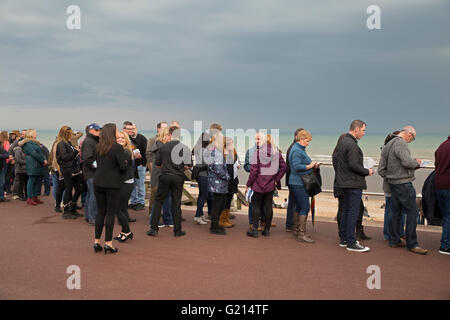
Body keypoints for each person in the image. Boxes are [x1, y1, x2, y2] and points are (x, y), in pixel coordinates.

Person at [378, 125, 427, 255]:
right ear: (408, 134)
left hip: (392, 183)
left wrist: (389, 176)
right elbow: (406, 162)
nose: (411, 141)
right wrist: (417, 163)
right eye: (413, 138)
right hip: (403, 182)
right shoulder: (401, 143)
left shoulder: (388, 144)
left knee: (396, 211)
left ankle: (394, 240)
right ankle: (412, 244)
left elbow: (381, 168)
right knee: (413, 212)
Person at [333, 120, 373, 253]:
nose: (364, 133)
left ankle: (344, 239)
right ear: (356, 129)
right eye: (363, 130)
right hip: (352, 183)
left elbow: (340, 163)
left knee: (345, 210)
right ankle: (351, 242)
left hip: (343, 182)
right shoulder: (352, 144)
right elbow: (353, 165)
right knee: (352, 212)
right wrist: (367, 171)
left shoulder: (342, 142)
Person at [147, 126, 192, 237]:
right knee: (176, 203)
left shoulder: (163, 147)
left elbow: (158, 164)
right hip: (178, 177)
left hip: (165, 176)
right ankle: (177, 230)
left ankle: (154, 228)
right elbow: (189, 166)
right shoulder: (184, 148)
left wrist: (166, 166)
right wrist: (180, 167)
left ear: (170, 135)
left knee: (158, 201)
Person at [93, 123, 128, 254]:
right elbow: (123, 167)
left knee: (100, 212)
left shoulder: (98, 147)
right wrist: (125, 161)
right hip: (113, 184)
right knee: (110, 213)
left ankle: (97, 241)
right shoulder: (117, 148)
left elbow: (95, 163)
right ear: (112, 133)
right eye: (117, 130)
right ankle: (108, 243)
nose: (118, 132)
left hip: (98, 182)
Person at [246, 133, 286, 237]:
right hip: (270, 184)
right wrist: (276, 179)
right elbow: (284, 167)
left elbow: (253, 171)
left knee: (256, 206)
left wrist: (248, 184)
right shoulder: (276, 153)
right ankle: (267, 230)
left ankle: (254, 230)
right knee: (268, 206)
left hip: (258, 183)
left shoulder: (258, 153)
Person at [288, 130, 319, 243]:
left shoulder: (297, 149)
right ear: (301, 139)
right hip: (299, 182)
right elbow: (296, 166)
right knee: (305, 207)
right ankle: (301, 233)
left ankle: (297, 230)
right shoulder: (297, 150)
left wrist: (312, 165)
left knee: (299, 207)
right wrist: (310, 165)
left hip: (296, 182)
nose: (308, 143)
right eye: (307, 141)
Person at [380, 131, 406, 241]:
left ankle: (397, 232)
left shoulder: (388, 150)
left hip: (392, 184)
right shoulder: (389, 151)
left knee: (395, 210)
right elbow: (382, 170)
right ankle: (391, 234)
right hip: (392, 185)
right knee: (393, 210)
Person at [204, 129, 230, 235]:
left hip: (214, 182)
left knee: (218, 204)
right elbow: (218, 168)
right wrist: (227, 176)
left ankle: (216, 225)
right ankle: (214, 227)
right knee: (218, 205)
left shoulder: (211, 150)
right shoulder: (216, 152)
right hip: (218, 183)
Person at [148, 127, 174, 228]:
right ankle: (154, 221)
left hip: (164, 175)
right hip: (160, 175)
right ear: (165, 135)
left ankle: (168, 219)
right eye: (169, 135)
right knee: (159, 199)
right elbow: (161, 163)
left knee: (167, 198)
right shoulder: (160, 147)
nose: (171, 137)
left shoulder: (163, 146)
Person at [56, 126, 83, 219]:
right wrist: (75, 151)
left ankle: (72, 209)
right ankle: (66, 212)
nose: (72, 135)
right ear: (66, 133)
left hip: (73, 169)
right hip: (67, 169)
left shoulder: (68, 143)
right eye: (71, 133)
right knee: (68, 189)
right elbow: (65, 157)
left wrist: (75, 152)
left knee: (79, 189)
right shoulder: (61, 144)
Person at [113, 130, 134, 243]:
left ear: (126, 140)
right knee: (122, 208)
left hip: (126, 183)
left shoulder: (125, 152)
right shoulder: (120, 151)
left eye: (123, 138)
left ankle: (127, 231)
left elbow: (122, 168)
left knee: (118, 209)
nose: (120, 139)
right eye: (118, 138)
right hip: (123, 182)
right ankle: (124, 232)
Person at [244, 132, 269, 231]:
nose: (257, 141)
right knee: (254, 203)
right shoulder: (250, 151)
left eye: (259, 139)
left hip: (266, 181)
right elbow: (246, 166)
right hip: (254, 180)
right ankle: (252, 223)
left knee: (265, 203)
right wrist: (256, 169)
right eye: (256, 139)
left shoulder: (269, 151)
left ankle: (263, 220)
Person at [191, 127, 214, 225]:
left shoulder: (200, 148)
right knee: (203, 195)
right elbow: (205, 162)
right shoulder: (202, 149)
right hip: (203, 175)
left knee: (203, 195)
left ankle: (200, 215)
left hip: (202, 174)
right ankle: (197, 215)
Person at [123, 121, 148, 211]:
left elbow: (147, 153)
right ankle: (133, 202)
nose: (132, 130)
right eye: (129, 129)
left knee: (140, 184)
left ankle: (141, 202)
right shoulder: (127, 138)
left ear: (136, 129)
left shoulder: (142, 139)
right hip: (131, 166)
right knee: (132, 185)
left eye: (133, 129)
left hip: (140, 165)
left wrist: (143, 161)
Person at [19, 129, 47, 206]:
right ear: (31, 134)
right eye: (35, 133)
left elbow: (39, 153)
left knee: (36, 181)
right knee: (31, 181)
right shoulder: (27, 143)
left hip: (37, 163)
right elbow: (34, 153)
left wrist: (44, 159)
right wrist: (43, 160)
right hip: (32, 163)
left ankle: (34, 197)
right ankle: (29, 198)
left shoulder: (33, 143)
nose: (36, 134)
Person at [146, 122, 168, 214]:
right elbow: (149, 155)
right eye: (163, 128)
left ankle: (163, 212)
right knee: (155, 191)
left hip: (164, 171)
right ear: (158, 129)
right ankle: (151, 212)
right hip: (155, 169)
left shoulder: (167, 141)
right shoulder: (152, 140)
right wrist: (151, 169)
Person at [81, 123, 101, 225]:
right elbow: (87, 158)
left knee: (90, 194)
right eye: (97, 130)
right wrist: (98, 166)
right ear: (90, 130)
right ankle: (92, 217)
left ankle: (88, 216)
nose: (99, 132)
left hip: (90, 172)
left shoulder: (93, 140)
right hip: (91, 173)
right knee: (94, 195)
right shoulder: (89, 141)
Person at [284, 128, 304, 231]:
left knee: (293, 201)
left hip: (291, 178)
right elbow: (295, 166)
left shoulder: (293, 148)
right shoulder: (294, 149)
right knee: (294, 202)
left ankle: (291, 223)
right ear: (297, 136)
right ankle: (291, 224)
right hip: (294, 180)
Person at [434, 134, 450, 255]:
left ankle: (446, 242)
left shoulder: (442, 146)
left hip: (439, 184)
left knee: (446, 215)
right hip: (448, 185)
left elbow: (437, 164)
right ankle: (445, 245)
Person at [219, 136, 240, 228]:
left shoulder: (232, 153)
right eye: (229, 144)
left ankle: (226, 218)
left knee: (228, 200)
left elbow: (233, 166)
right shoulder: (222, 154)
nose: (231, 145)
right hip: (226, 181)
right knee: (224, 201)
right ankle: (222, 219)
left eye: (232, 144)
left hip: (233, 180)